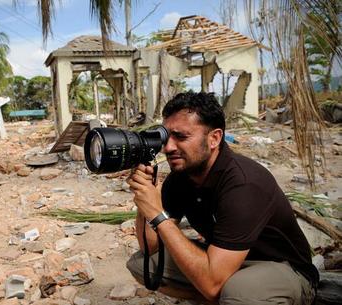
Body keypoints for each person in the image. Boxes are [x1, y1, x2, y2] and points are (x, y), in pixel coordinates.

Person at [126, 92, 318, 305]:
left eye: (181, 137)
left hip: (282, 268)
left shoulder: (243, 184)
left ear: (214, 138)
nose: (169, 147)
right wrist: (144, 200)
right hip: (225, 261)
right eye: (166, 137)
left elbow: (212, 284)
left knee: (237, 292)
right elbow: (150, 247)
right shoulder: (182, 176)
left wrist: (157, 214)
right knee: (144, 264)